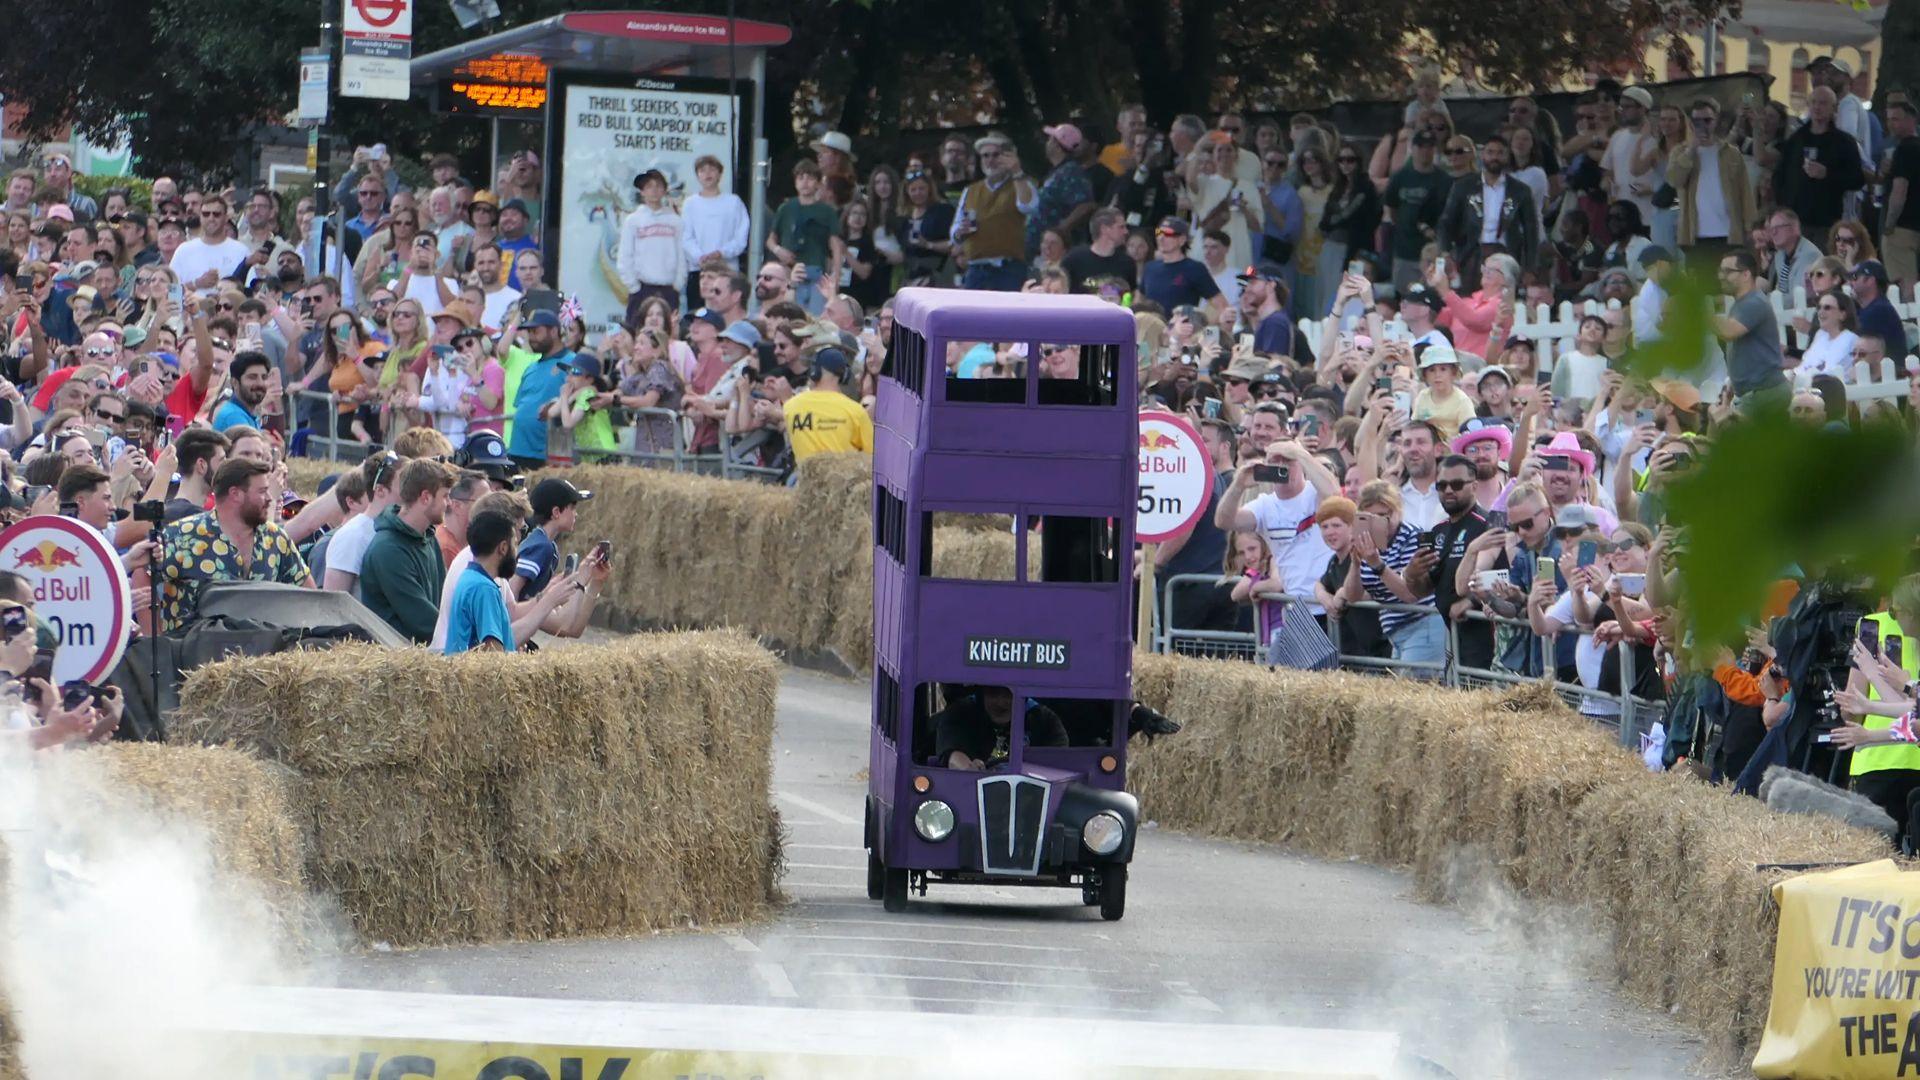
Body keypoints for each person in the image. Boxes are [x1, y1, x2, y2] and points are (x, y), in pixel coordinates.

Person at [156, 458, 313, 631]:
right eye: (262, 491)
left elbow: (308, 592)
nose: (270, 498)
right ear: (235, 494)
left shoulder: (275, 537)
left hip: (262, 652)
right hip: (192, 651)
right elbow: (145, 573)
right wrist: (154, 639)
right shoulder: (182, 535)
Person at [1215, 439, 1340, 622]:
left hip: (1330, 601)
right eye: (1275, 460)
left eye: (1287, 460)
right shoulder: (1265, 505)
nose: (1281, 465)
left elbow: (1334, 496)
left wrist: (1299, 453)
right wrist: (1239, 484)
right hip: (1297, 608)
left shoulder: (1315, 492)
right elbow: (1223, 521)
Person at [1343, 480, 1444, 675]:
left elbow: (1410, 594)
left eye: (1384, 515)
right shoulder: (1369, 543)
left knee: (1411, 693)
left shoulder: (1413, 538)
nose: (1380, 522)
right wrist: (1355, 563)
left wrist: (1377, 564)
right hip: (1396, 631)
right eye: (1372, 517)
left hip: (1424, 624)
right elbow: (1352, 597)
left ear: (1398, 511)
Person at [357, 458, 452, 644]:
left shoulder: (429, 538)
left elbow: (444, 600)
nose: (448, 503)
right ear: (425, 497)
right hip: (396, 663)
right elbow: (422, 620)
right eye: (445, 496)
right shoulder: (387, 550)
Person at [1436, 134, 1538, 283]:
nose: (1494, 157)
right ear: (1482, 155)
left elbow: (1531, 230)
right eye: (1490, 152)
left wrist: (1530, 268)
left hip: (1506, 255)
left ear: (1507, 156)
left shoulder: (1520, 190)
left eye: (1500, 153)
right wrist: (1445, 253)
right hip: (1471, 253)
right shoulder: (1463, 186)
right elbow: (1446, 222)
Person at [1773, 87, 1864, 241]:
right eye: (1813, 102)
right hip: (1795, 221)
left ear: (1833, 108)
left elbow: (1857, 179)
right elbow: (1779, 176)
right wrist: (1784, 207)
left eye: (1823, 103)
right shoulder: (1797, 139)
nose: (1817, 107)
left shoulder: (1843, 142)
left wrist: (1827, 174)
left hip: (1827, 222)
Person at [951, 132, 1037, 292]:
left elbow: (1028, 206)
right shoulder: (970, 190)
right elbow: (954, 233)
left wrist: (1017, 172)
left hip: (1009, 269)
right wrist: (960, 233)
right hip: (976, 270)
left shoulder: (1022, 183)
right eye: (985, 156)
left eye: (996, 155)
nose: (990, 160)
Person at [1714, 249, 1790, 410]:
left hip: (1764, 394)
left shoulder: (1754, 302)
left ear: (1746, 275)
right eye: (1720, 271)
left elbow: (1729, 332)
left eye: (1728, 271)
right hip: (1757, 393)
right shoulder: (1742, 303)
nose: (1721, 276)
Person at [933, 685, 1069, 771]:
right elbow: (951, 753)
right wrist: (968, 769)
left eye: (1009, 693)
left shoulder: (1044, 719)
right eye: (993, 692)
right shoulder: (960, 712)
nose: (1001, 701)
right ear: (982, 689)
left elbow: (1060, 760)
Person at [321, 452, 402, 594]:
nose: (411, 492)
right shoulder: (351, 536)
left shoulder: (400, 530)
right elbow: (333, 605)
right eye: (404, 485)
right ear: (380, 490)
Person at [1381, 130, 1451, 290]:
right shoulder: (1399, 177)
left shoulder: (1444, 180)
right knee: (1404, 300)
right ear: (1413, 148)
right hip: (1404, 251)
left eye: (1430, 146)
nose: (1425, 151)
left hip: (1432, 253)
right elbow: (1392, 210)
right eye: (1421, 146)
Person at [505, 310, 573, 469]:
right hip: (517, 448)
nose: (531, 337)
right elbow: (521, 405)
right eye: (529, 332)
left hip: (549, 453)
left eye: (536, 331)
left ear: (554, 331)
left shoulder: (571, 362)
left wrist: (557, 402)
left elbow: (583, 394)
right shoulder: (531, 368)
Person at [617, 169, 685, 324]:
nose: (654, 191)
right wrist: (634, 286)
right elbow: (625, 255)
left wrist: (677, 284)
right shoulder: (633, 220)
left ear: (665, 190)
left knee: (667, 334)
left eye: (658, 186)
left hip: (668, 289)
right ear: (642, 192)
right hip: (642, 288)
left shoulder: (675, 221)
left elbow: (682, 254)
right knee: (635, 331)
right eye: (649, 187)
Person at [681, 154, 751, 302]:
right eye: (702, 170)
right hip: (699, 271)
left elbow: (741, 237)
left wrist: (722, 253)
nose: (707, 174)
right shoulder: (690, 203)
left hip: (727, 270)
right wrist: (700, 257)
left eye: (712, 169)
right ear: (698, 175)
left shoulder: (734, 202)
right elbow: (686, 237)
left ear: (720, 174)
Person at [783, 347, 872, 463]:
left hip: (806, 479)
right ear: (844, 376)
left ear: (815, 372)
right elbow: (872, 457)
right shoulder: (856, 411)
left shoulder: (790, 406)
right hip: (845, 479)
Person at [511, 477, 591, 600]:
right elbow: (512, 589)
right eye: (573, 508)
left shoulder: (548, 545)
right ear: (556, 512)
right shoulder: (540, 546)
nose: (576, 513)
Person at [1141, 218, 1224, 318]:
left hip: (1182, 330)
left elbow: (1221, 306)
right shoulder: (1149, 268)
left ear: (1182, 240)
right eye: (1159, 232)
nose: (1161, 237)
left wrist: (1205, 328)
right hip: (1152, 330)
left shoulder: (1195, 268)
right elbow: (1138, 302)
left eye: (1168, 233)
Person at [169, 194, 250, 296]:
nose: (211, 218)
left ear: (226, 218)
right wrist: (197, 283)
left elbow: (249, 291)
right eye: (206, 214)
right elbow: (171, 292)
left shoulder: (241, 251)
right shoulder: (184, 250)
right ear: (200, 217)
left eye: (216, 214)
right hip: (191, 311)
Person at [1882, 101, 1920, 291]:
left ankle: (1910, 320)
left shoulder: (1904, 150)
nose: (1891, 124)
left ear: (1912, 120)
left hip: (1902, 227)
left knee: (1904, 285)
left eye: (1896, 119)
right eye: (1889, 119)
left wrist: (1889, 224)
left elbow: (1899, 191)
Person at [1059, 208, 1137, 294]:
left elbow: (1130, 296)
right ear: (1104, 229)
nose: (1126, 231)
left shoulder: (1127, 263)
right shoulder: (1073, 260)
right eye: (1121, 227)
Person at [164, 427, 230, 523]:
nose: (227, 466)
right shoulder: (198, 520)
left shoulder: (163, 509)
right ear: (201, 465)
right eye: (222, 460)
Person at [1846, 259, 1906, 361]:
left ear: (1870, 280)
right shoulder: (1871, 308)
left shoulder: (1879, 310)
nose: (1850, 282)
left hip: (1886, 372)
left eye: (1855, 277)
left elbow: (1852, 344)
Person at [1411, 345, 1475, 441]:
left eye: (1443, 369)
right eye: (1432, 370)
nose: (1437, 375)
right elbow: (1414, 426)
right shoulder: (1422, 396)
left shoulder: (1462, 401)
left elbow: (1470, 434)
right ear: (1425, 375)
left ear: (1453, 373)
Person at [436, 469, 488, 568]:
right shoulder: (445, 549)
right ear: (457, 506)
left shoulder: (463, 543)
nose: (491, 508)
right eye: (484, 502)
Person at [211, 351, 273, 433]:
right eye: (252, 377)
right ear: (235, 383)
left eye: (264, 377)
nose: (260, 383)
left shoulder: (246, 414)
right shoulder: (233, 416)